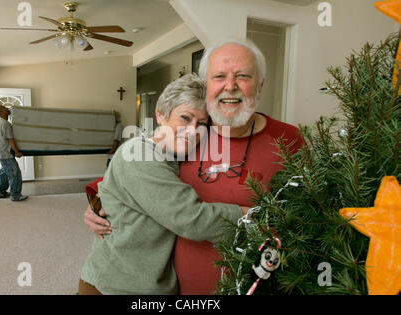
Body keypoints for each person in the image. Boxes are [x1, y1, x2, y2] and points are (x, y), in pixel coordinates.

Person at [84, 38, 303, 294]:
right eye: (219, 76)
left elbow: (311, 211)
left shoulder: (288, 140)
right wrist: (95, 204)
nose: (230, 86)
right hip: (135, 287)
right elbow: (135, 186)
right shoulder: (172, 146)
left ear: (260, 84)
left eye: (243, 76)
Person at [78, 74, 250, 295]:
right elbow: (190, 218)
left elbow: (108, 187)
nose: (192, 131)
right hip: (113, 286)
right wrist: (247, 216)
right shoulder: (140, 153)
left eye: (201, 124)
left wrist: (96, 200)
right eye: (185, 118)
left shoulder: (176, 157)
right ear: (160, 115)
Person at [0, 105, 28, 202]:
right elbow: (10, 140)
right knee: (15, 173)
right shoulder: (6, 124)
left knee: (5, 172)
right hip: (5, 153)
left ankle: (0, 192)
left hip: (1, 152)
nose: (7, 108)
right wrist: (17, 152)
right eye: (4, 108)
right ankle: (15, 195)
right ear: (1, 112)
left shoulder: (1, 123)